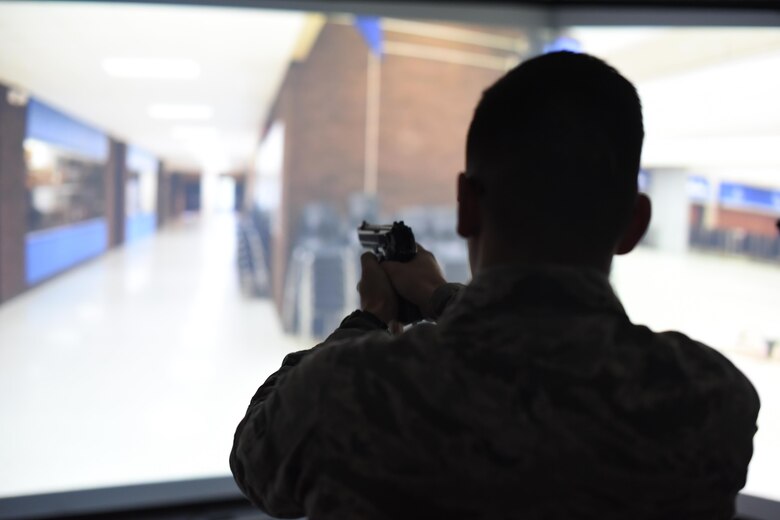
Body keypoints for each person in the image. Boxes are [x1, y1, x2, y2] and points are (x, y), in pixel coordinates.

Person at [230, 51, 760, 520]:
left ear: (465, 204)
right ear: (634, 225)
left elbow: (255, 460)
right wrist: (440, 297)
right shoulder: (710, 401)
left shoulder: (345, 391)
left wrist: (368, 318)